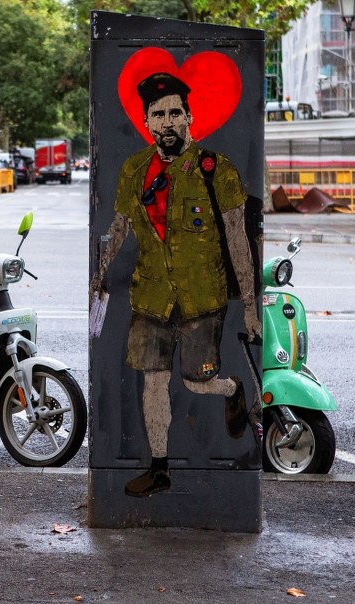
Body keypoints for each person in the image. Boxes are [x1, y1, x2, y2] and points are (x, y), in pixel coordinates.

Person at [91, 73, 262, 498]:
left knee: (194, 381)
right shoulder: (134, 170)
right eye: (157, 114)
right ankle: (160, 467)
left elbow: (239, 239)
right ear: (147, 122)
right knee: (153, 380)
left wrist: (252, 304)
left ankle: (232, 390)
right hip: (151, 296)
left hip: (201, 298)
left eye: (174, 112)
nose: (167, 121)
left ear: (189, 117)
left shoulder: (214, 169)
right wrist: (99, 274)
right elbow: (119, 227)